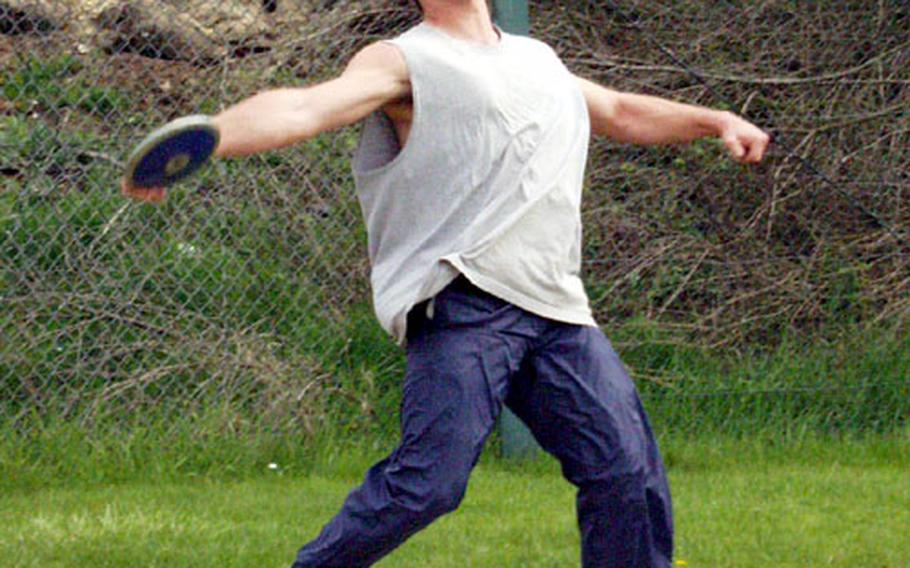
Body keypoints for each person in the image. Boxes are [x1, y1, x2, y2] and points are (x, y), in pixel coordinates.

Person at [123, 1, 770, 566]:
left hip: (558, 312)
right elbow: (306, 106)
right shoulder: (404, 60)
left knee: (627, 472)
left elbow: (622, 110)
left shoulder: (538, 60)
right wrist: (209, 139)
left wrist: (714, 120)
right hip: (465, 303)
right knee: (429, 485)